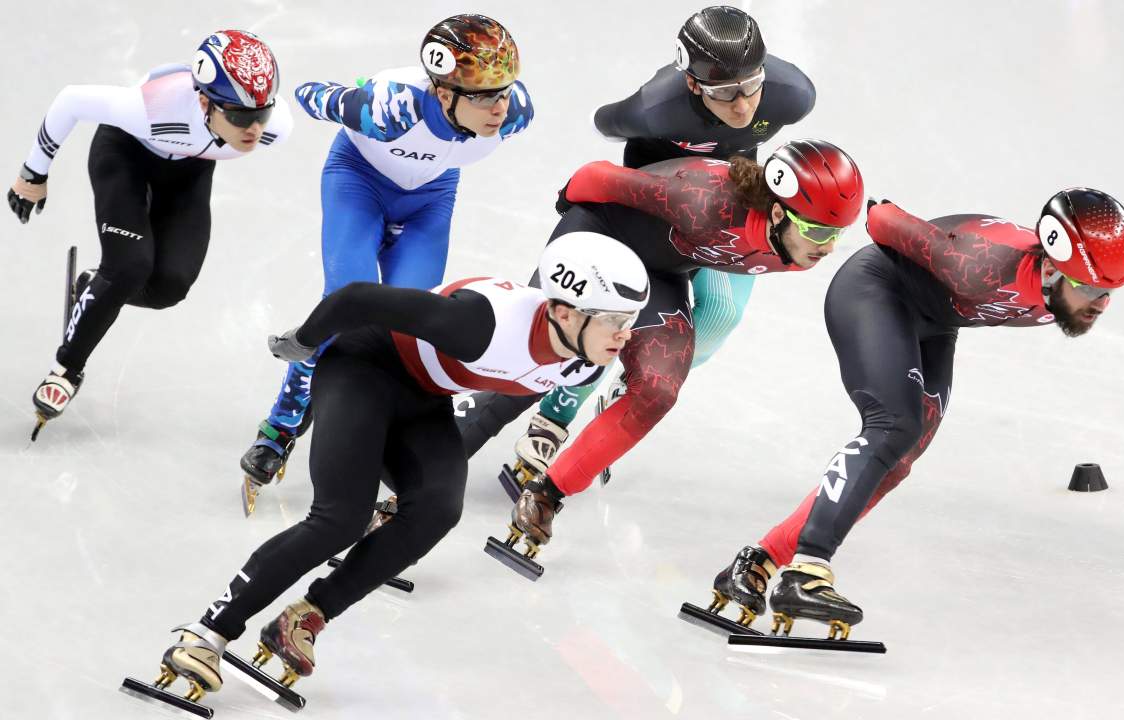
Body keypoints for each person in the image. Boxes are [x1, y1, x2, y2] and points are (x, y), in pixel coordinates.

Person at [132, 233, 648, 711]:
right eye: (615, 320)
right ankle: (206, 633)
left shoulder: (583, 358)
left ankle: (305, 618)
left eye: (631, 320)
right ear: (561, 311)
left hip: (426, 397)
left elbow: (497, 400)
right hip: (363, 364)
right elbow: (355, 298)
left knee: (438, 509)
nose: (625, 335)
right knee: (340, 518)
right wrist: (303, 342)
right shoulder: (480, 322)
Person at [702, 188, 1124, 640]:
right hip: (876, 290)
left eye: (1109, 292)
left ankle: (758, 561)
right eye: (1089, 288)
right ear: (1050, 267)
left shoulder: (1062, 282)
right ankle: (808, 571)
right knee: (894, 425)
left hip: (936, 321)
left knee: (898, 459)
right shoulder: (977, 263)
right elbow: (881, 219)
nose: (1100, 304)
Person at [464, 139, 864, 562]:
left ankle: (545, 495)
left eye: (838, 232)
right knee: (545, 360)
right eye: (819, 231)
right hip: (600, 237)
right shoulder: (704, 202)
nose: (828, 246)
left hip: (658, 270)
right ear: (780, 213)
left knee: (657, 391)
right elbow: (592, 177)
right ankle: (426, 456)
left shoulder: (795, 249)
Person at [238, 14, 534, 506]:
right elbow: (312, 93)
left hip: (429, 201)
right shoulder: (389, 106)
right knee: (348, 310)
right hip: (359, 183)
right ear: (442, 93)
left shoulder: (519, 112)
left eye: (504, 91)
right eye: (483, 96)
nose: (499, 108)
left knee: (406, 328)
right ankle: (282, 424)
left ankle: (375, 426)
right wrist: (351, 97)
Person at [513, 4, 816, 485]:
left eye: (750, 85)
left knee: (720, 316)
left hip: (730, 212)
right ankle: (555, 411)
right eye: (722, 92)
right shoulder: (656, 106)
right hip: (657, 213)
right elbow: (603, 124)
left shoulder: (792, 94)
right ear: (692, 84)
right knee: (612, 317)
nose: (741, 106)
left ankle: (630, 385)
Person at [7, 30, 292, 438]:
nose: (253, 129)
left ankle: (94, 288)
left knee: (170, 287)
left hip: (189, 174)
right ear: (204, 101)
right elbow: (70, 100)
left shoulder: (275, 127)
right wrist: (33, 173)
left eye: (261, 114)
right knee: (129, 266)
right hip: (125, 157)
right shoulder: (150, 108)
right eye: (242, 118)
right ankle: (67, 368)